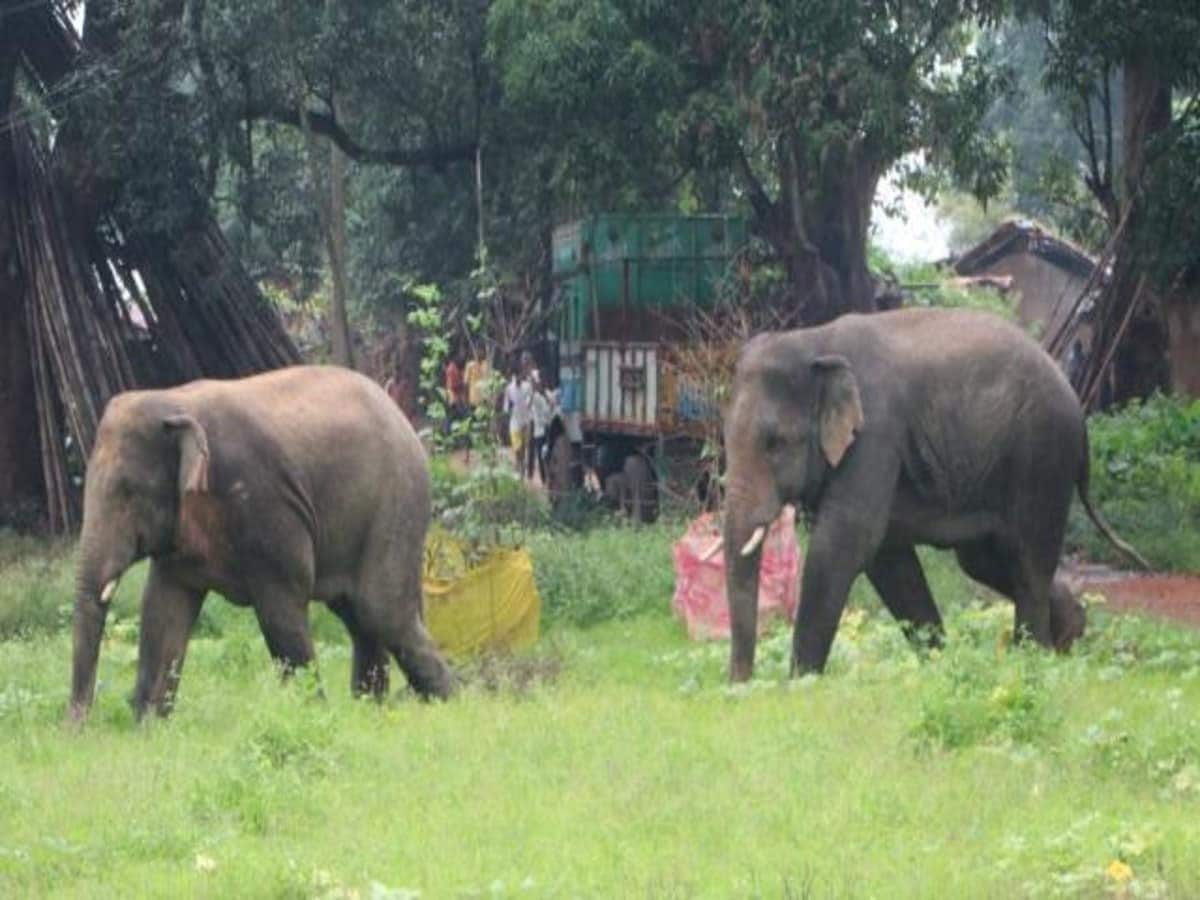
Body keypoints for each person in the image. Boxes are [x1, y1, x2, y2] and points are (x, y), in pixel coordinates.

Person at [503, 368, 532, 474]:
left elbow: (529, 402)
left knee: (524, 446)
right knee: (517, 446)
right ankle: (519, 463)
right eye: (516, 376)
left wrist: (528, 404)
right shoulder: (509, 388)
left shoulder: (527, 387)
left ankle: (522, 464)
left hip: (525, 420)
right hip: (514, 420)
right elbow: (506, 405)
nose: (518, 378)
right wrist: (508, 412)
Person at [529, 384, 553, 484]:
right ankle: (543, 478)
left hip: (548, 428)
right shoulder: (536, 397)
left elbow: (552, 406)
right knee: (540, 455)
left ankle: (548, 477)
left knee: (547, 454)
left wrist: (549, 400)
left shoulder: (548, 394)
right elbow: (529, 403)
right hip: (539, 430)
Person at [464, 346, 492, 410]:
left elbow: (489, 381)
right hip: (473, 399)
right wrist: (466, 400)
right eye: (479, 351)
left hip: (484, 399)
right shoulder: (470, 365)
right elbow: (466, 383)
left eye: (482, 351)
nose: (480, 353)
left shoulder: (487, 364)